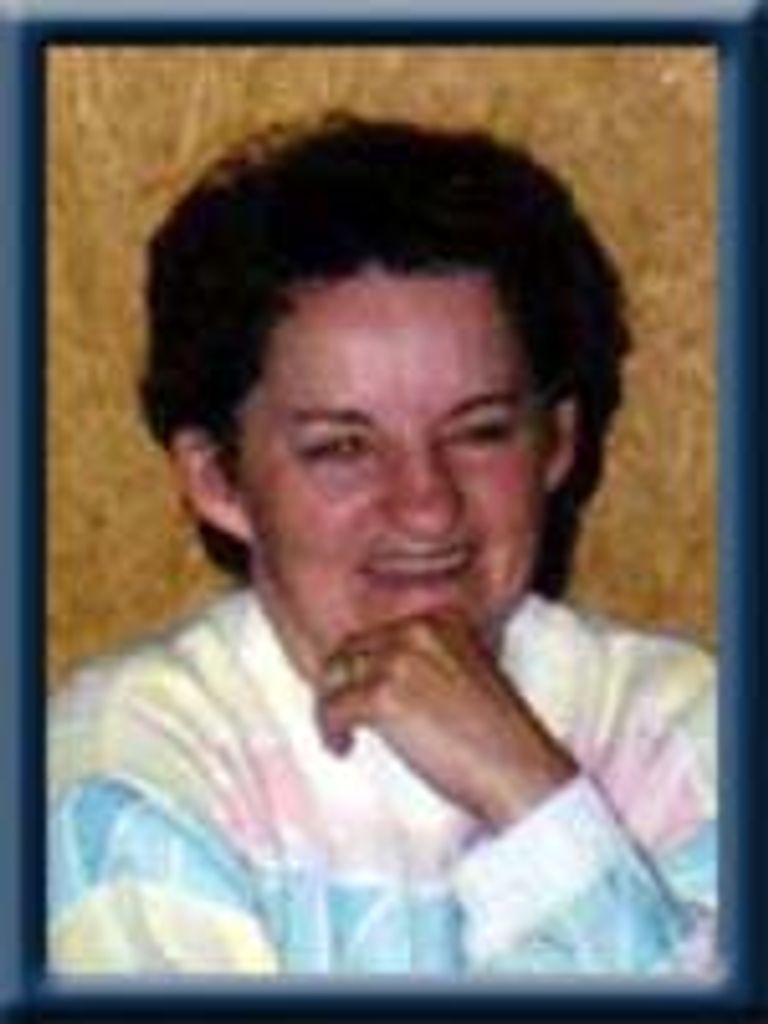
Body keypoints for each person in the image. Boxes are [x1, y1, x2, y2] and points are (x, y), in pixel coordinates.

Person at [48, 116, 717, 977]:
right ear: (218, 480)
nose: (427, 508)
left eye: (480, 431)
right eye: (342, 448)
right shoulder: (123, 766)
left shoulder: (683, 724)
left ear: (557, 444)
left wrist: (530, 792)